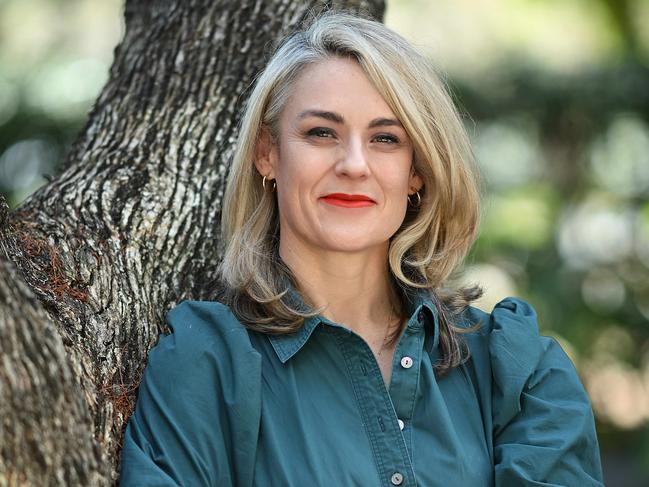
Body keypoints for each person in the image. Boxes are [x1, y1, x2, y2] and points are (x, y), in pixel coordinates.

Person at [119, 11, 604, 487]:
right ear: (267, 153)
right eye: (321, 132)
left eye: (385, 138)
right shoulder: (207, 366)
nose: (354, 164)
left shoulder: (519, 374)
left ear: (417, 171)